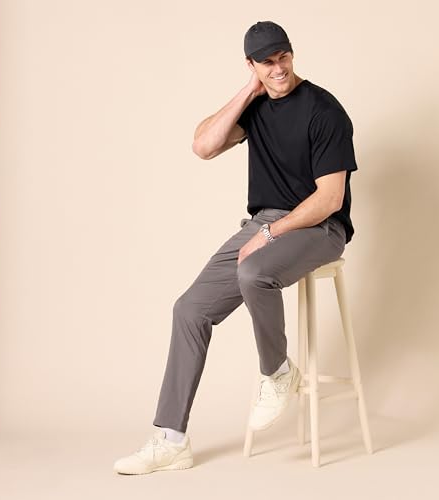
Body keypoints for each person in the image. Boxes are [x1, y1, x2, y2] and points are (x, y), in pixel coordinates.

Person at [113, 20, 358, 475]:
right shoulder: (256, 105)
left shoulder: (324, 110)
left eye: (284, 57)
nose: (279, 68)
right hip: (265, 222)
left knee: (253, 272)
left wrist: (269, 234)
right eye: (267, 62)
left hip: (320, 227)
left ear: (292, 53)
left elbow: (329, 199)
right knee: (189, 310)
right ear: (251, 65)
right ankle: (171, 440)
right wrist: (249, 92)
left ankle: (277, 372)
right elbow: (203, 146)